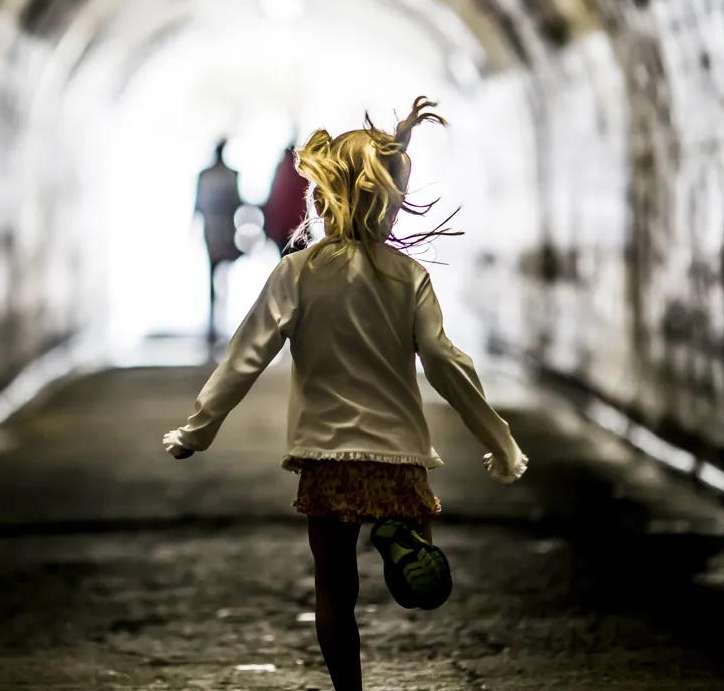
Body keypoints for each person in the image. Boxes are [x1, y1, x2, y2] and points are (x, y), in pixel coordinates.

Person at [162, 97, 528, 691]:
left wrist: (196, 430)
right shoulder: (407, 276)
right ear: (391, 203)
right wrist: (501, 439)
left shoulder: (299, 272)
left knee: (333, 589)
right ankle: (398, 536)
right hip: (399, 456)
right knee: (419, 587)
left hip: (327, 457)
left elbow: (245, 357)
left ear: (322, 198)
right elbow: (444, 362)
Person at [194, 139, 244, 343]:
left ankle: (215, 320)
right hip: (224, 230)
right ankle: (218, 318)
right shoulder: (231, 175)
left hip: (212, 231)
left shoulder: (205, 176)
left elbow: (197, 205)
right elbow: (238, 203)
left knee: (213, 274)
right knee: (221, 275)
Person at [262, 143, 311, 256]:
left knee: (288, 262)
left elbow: (273, 200)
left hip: (285, 229)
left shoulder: (281, 171)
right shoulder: (301, 173)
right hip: (298, 229)